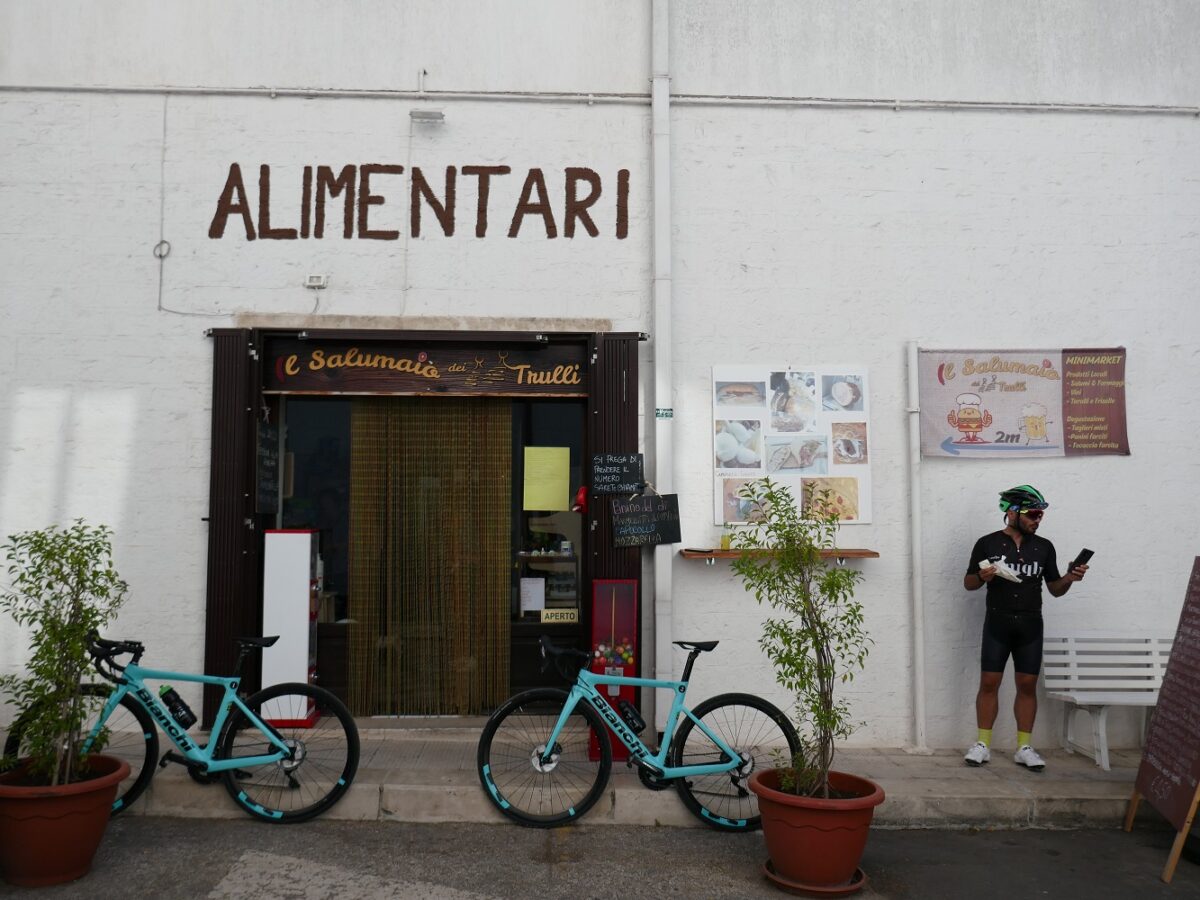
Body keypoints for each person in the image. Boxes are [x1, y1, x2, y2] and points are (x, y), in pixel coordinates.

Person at [962, 485, 1088, 771]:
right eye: (1033, 514)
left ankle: (1024, 747)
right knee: (989, 683)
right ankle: (982, 744)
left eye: (1041, 515)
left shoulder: (1044, 547)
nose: (1037, 520)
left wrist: (1070, 577)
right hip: (998, 621)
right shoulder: (988, 543)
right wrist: (982, 576)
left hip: (1031, 623)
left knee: (1027, 685)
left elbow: (1055, 589)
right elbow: (968, 583)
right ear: (1012, 512)